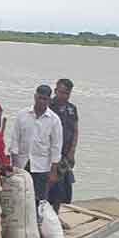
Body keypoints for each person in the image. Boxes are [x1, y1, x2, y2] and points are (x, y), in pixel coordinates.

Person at [9, 84, 63, 204]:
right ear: (35, 97)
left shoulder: (54, 120)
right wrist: (13, 165)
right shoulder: (22, 115)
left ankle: (38, 221)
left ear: (49, 100)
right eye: (39, 98)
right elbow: (15, 140)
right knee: (19, 198)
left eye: (45, 99)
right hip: (22, 164)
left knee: (38, 200)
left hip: (41, 167)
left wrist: (53, 172)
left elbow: (56, 146)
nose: (41, 101)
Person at [49, 78, 79, 213]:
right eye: (61, 92)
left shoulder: (71, 109)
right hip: (50, 153)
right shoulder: (49, 106)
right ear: (55, 91)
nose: (64, 96)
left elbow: (75, 130)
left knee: (64, 189)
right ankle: (45, 216)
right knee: (50, 187)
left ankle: (56, 214)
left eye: (67, 93)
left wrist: (72, 152)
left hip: (65, 154)